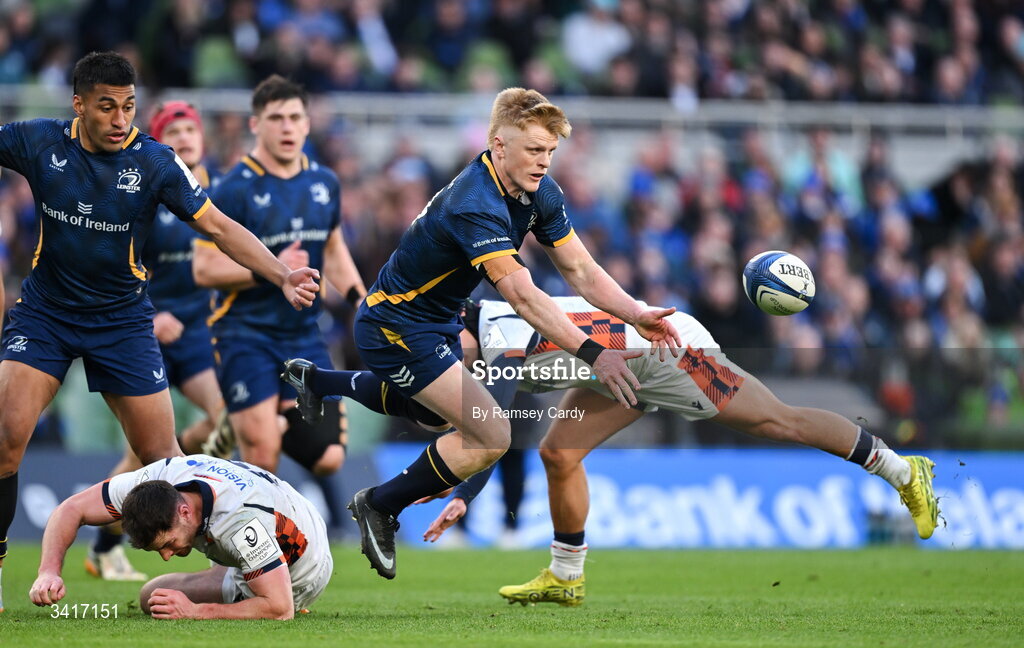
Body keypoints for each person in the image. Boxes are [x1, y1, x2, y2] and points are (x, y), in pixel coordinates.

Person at [287, 296, 939, 605]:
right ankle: (566, 578)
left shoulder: (504, 330)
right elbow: (417, 395)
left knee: (779, 423)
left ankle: (900, 468)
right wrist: (328, 385)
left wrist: (462, 496)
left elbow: (496, 421)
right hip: (608, 371)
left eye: (439, 345)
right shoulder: (475, 338)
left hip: (666, 352)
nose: (438, 360)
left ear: (461, 325)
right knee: (560, 455)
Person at [0, 51, 321, 613]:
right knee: (5, 441)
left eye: (127, 106)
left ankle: (241, 580)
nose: (120, 118)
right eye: (106, 107)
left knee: (166, 461)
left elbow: (219, 226)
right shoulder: (39, 142)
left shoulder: (155, 163)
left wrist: (280, 273)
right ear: (79, 105)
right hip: (45, 315)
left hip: (123, 322)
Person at [335, 87, 681, 580]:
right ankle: (379, 504)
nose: (544, 162)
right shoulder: (473, 203)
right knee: (492, 432)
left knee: (441, 423)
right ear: (498, 146)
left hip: (443, 322)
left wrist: (634, 312)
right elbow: (523, 297)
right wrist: (593, 352)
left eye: (550, 152)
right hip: (395, 327)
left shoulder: (540, 191)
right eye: (534, 150)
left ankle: (326, 387)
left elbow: (580, 270)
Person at [84, 100, 228, 583]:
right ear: (163, 140)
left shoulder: (218, 192)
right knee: (141, 453)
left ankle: (159, 486)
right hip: (144, 327)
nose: (185, 137)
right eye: (174, 130)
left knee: (219, 417)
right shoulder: (149, 187)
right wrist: (153, 315)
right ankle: (106, 542)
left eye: (192, 128)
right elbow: (115, 260)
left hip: (194, 330)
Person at [193, 75, 365, 479]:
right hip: (244, 333)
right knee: (263, 454)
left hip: (303, 333)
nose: (286, 127)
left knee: (328, 459)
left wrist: (362, 301)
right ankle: (255, 432)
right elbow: (204, 268)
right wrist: (275, 272)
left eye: (294, 118)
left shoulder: (324, 182)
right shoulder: (232, 188)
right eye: (276, 118)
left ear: (307, 124)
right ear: (256, 125)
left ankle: (250, 421)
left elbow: (334, 248)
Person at [29, 455, 332, 619]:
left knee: (154, 597)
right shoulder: (158, 480)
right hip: (288, 511)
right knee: (158, 595)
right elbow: (70, 509)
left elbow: (280, 609)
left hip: (304, 570)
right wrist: (48, 572)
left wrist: (196, 611)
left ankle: (254, 579)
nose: (166, 555)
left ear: (185, 513)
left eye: (167, 543)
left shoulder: (239, 523)